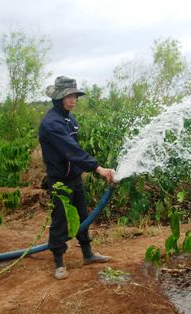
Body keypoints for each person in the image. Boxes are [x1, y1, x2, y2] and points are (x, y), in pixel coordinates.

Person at [39, 75, 115, 280]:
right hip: (60, 181)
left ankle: (88, 254)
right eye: (69, 96)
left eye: (75, 96)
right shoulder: (51, 123)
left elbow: (76, 150)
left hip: (74, 177)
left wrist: (85, 169)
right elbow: (71, 150)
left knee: (83, 214)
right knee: (61, 219)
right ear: (58, 98)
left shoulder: (69, 119)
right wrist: (98, 168)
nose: (73, 100)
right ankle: (58, 262)